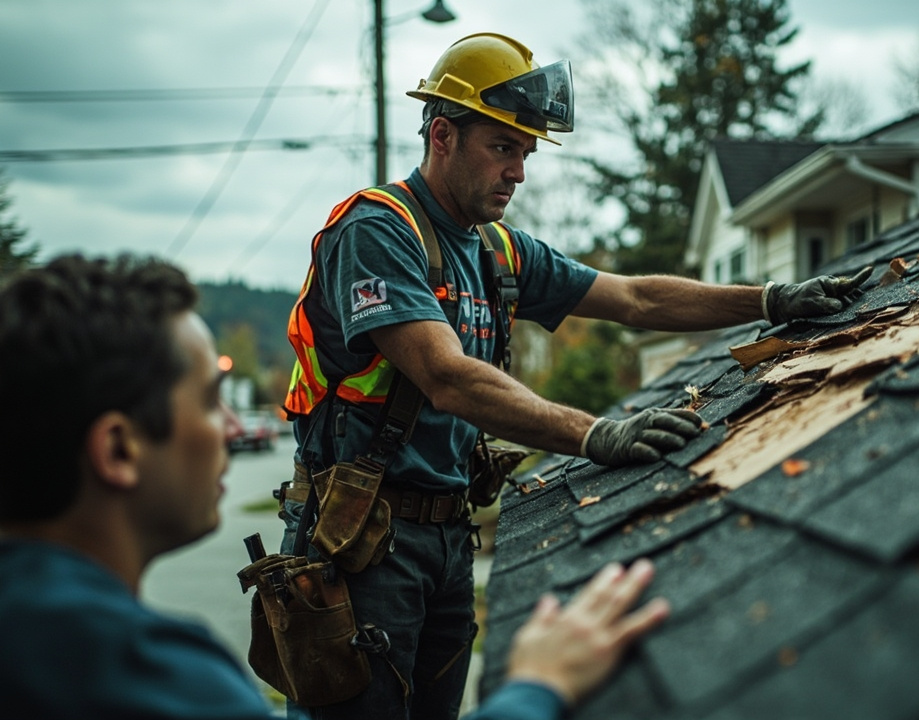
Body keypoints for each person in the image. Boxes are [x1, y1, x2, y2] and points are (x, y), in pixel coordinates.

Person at [278, 32, 871, 720]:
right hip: (360, 545)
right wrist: (597, 434)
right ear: (442, 136)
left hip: (447, 538)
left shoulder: (497, 250)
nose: (519, 172)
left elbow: (635, 299)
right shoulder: (380, 230)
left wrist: (768, 300)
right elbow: (448, 377)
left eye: (526, 153)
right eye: (503, 147)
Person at [0, 254, 668, 720]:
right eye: (209, 402)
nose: (235, 427)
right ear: (118, 450)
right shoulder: (156, 683)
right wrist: (536, 687)